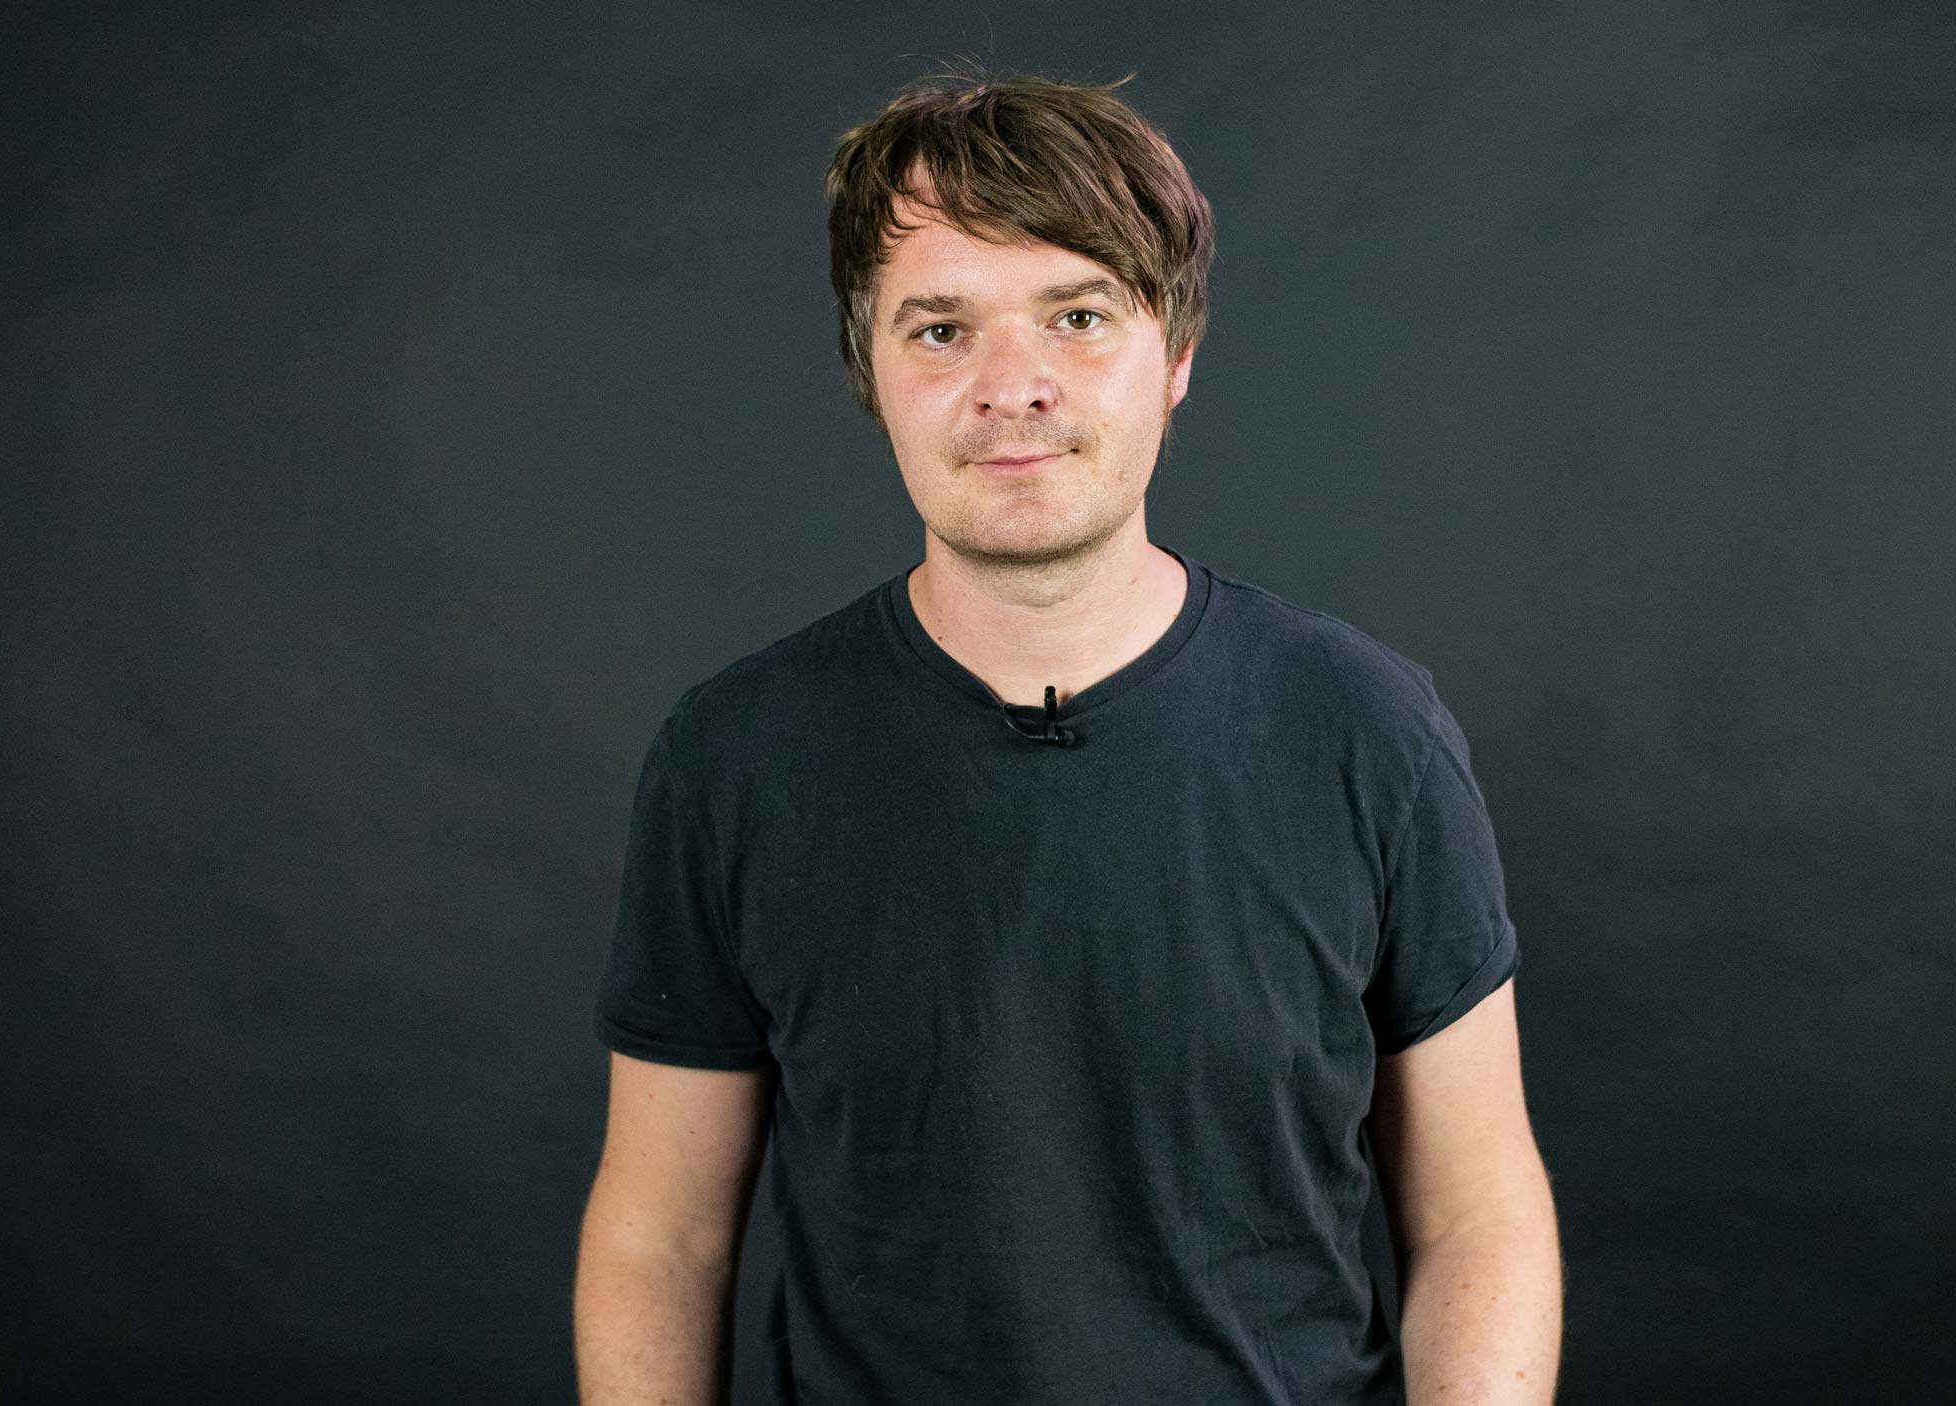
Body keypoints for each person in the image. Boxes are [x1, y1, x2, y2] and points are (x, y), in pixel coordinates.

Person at [573, 68, 1561, 1405]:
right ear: (871, 370)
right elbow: (662, 1238)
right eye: (940, 330)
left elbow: (1478, 1212)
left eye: (1079, 316)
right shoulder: (734, 759)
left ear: (1178, 355)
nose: (1013, 386)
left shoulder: (1368, 732)